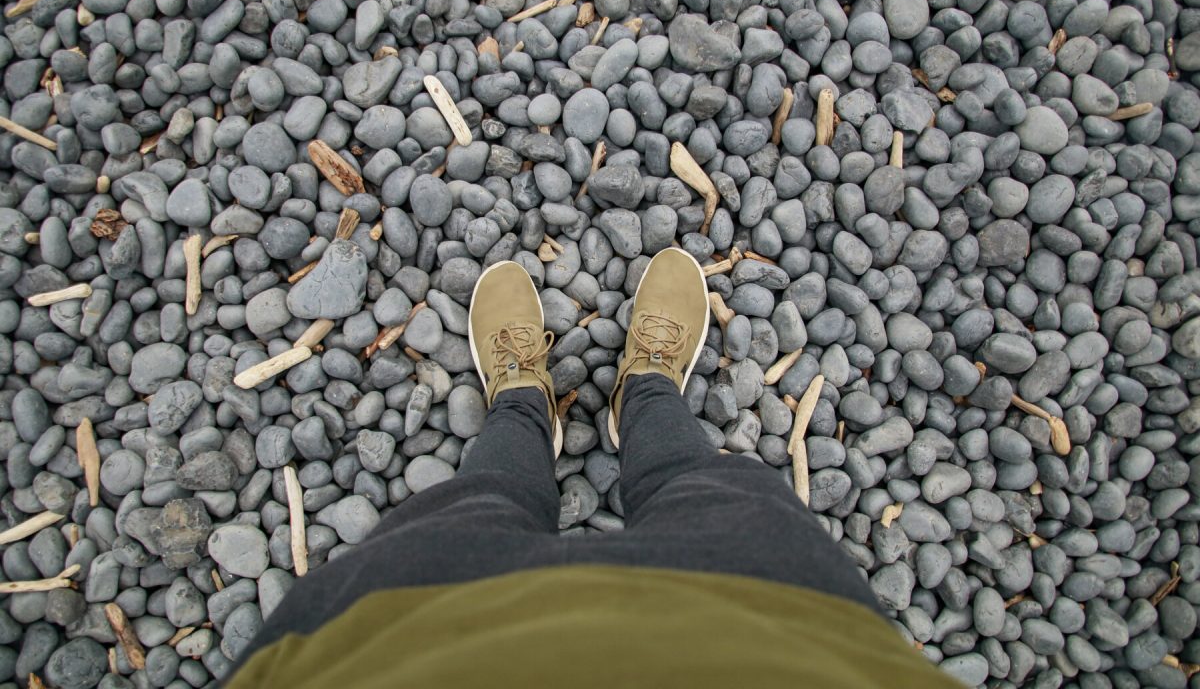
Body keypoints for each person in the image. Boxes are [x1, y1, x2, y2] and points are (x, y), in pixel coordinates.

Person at [227, 248, 961, 688]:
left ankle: (525, 409)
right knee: (728, 507)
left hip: (402, 657)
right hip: (778, 655)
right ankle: (640, 398)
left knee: (467, 517)